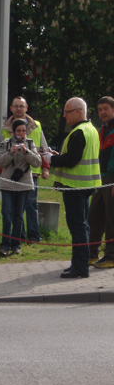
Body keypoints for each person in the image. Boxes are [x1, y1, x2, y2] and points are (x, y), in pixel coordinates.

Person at [42, 97, 101, 278]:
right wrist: (59, 156)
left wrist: (51, 159)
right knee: (82, 227)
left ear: (78, 111)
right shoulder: (90, 129)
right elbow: (78, 156)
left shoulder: (79, 132)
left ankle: (80, 268)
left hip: (75, 186)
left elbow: (72, 159)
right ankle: (79, 265)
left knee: (77, 228)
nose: (64, 115)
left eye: (67, 112)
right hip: (86, 185)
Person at [2, 96, 50, 243]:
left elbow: (44, 148)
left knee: (30, 204)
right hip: (11, 174)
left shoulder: (36, 125)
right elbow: (0, 150)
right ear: (11, 108)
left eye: (21, 106)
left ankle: (34, 237)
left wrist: (45, 168)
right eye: (16, 106)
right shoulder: (5, 128)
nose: (18, 109)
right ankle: (19, 237)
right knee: (15, 209)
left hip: (31, 172)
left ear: (26, 108)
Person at [0, 119, 42, 257]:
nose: (21, 134)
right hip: (8, 184)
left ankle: (16, 245)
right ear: (14, 131)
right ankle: (4, 245)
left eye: (24, 131)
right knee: (7, 214)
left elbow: (37, 162)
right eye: (18, 131)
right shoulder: (6, 143)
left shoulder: (30, 143)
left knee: (18, 216)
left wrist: (26, 152)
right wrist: (10, 153)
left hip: (24, 185)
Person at [87, 96, 114, 268]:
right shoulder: (101, 129)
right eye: (100, 109)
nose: (103, 112)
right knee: (94, 216)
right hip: (100, 178)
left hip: (112, 179)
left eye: (106, 108)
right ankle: (91, 254)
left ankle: (111, 256)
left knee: (112, 218)